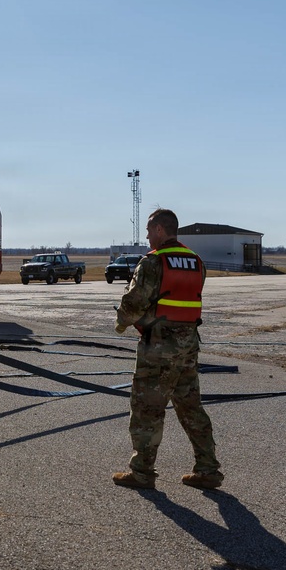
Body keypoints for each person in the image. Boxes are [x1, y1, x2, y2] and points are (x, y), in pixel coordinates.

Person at [112, 209, 223, 490]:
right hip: (188, 346)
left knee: (147, 407)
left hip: (159, 347)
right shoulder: (196, 261)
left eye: (150, 231)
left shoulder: (152, 262)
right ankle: (208, 468)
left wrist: (121, 323)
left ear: (160, 230)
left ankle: (142, 472)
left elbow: (134, 302)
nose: (148, 236)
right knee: (190, 406)